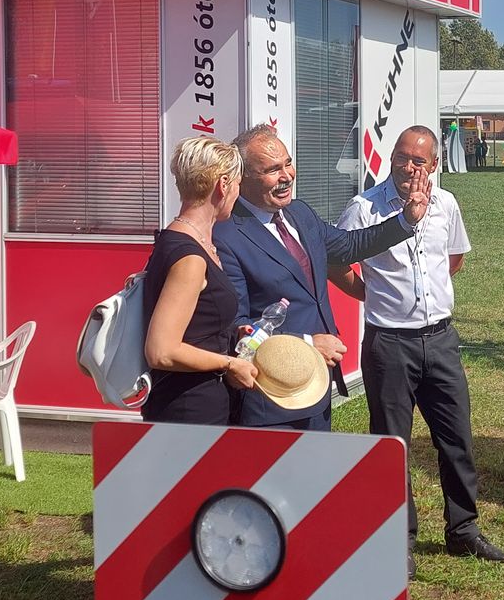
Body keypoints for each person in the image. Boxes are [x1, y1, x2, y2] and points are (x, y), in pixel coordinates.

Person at [331, 125, 504, 577]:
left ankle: (463, 529)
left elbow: (454, 258)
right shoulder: (365, 208)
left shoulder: (446, 204)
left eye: (418, 161)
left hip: (440, 339)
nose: (408, 167)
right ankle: (398, 538)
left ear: (434, 165)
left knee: (457, 438)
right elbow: (336, 262)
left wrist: (432, 295)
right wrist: (370, 293)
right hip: (389, 342)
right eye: (401, 157)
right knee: (393, 444)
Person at [213, 124, 431, 430]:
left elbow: (350, 246)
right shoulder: (226, 236)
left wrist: (406, 220)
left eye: (288, 163)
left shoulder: (300, 214)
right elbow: (238, 329)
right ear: (243, 177)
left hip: (315, 387)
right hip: (269, 401)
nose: (286, 175)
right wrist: (308, 344)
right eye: (273, 170)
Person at [142, 136, 258, 425]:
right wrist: (230, 362)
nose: (237, 193)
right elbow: (162, 351)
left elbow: (197, 323)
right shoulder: (190, 258)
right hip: (187, 411)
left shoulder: (190, 242)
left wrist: (232, 335)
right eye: (238, 184)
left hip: (202, 403)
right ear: (223, 185)